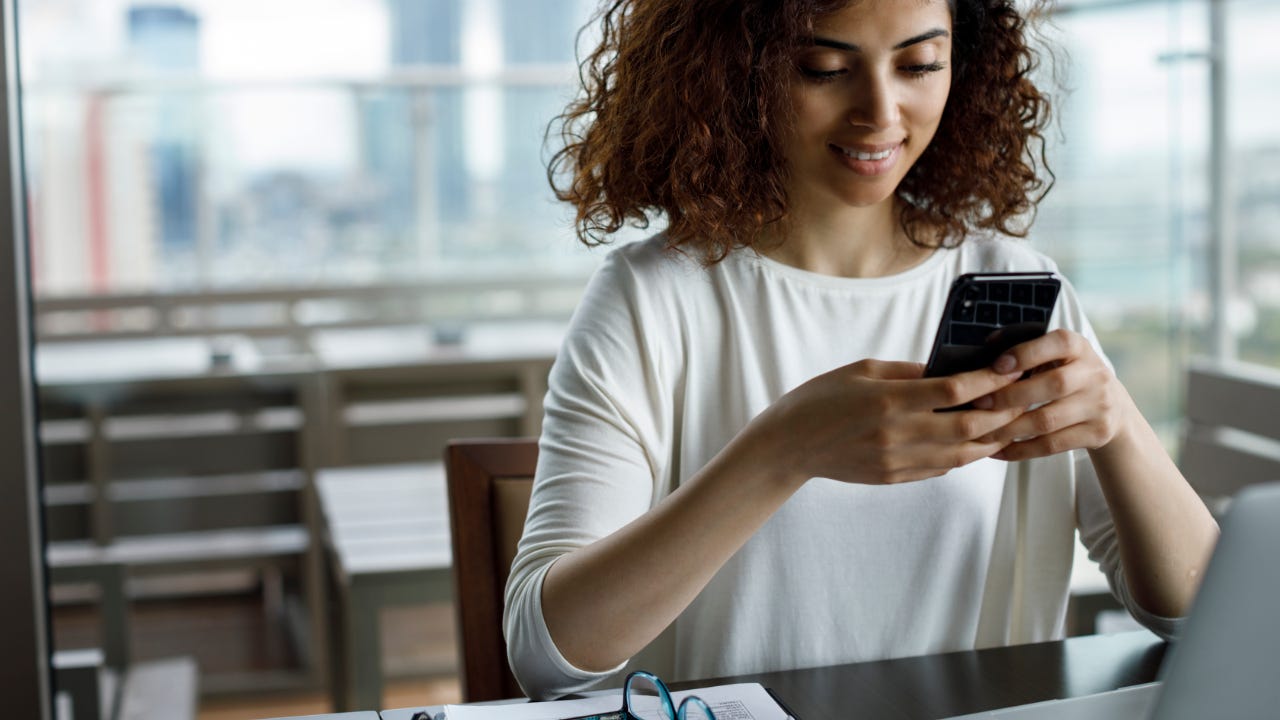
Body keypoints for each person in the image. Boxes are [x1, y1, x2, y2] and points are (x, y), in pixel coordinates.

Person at [503, 0, 1220, 701]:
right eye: (823, 68)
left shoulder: (1014, 285)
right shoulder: (651, 298)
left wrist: (1118, 424)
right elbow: (548, 655)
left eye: (919, 63)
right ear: (737, 72)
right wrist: (782, 451)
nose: (880, 113)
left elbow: (1200, 615)